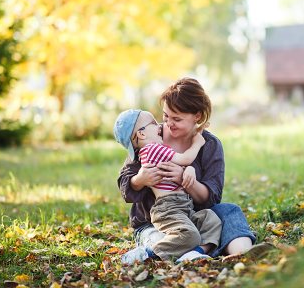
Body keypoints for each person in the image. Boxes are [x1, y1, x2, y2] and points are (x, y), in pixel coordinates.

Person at [117, 77, 272, 263]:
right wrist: (140, 179)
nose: (167, 123)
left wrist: (187, 180)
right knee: (165, 238)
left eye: (177, 119)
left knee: (228, 212)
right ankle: (172, 253)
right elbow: (125, 184)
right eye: (166, 116)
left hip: (192, 213)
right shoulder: (149, 137)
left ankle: (241, 256)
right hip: (155, 219)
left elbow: (212, 197)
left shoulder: (210, 144)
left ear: (197, 116)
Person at [113, 108, 222, 263]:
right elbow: (185, 159)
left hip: (182, 206)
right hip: (168, 208)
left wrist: (189, 170)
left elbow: (178, 167)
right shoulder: (152, 149)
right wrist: (197, 143)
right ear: (141, 134)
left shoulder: (154, 150)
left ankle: (192, 253)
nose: (159, 126)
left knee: (210, 220)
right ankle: (147, 253)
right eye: (153, 123)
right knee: (189, 235)